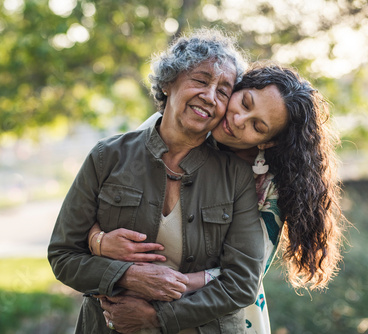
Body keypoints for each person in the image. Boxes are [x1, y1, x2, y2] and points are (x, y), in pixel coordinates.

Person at [89, 62, 346, 333]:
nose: (238, 120)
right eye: (245, 103)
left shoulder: (267, 187)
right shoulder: (167, 126)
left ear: (268, 142)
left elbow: (243, 276)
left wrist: (156, 294)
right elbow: (95, 205)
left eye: (257, 126)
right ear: (237, 88)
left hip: (214, 316)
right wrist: (101, 242)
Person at [48, 28, 267, 334]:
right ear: (168, 82)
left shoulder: (236, 176)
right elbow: (63, 255)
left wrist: (159, 319)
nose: (209, 96)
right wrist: (127, 275)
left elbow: (242, 283)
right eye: (201, 80)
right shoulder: (107, 157)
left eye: (223, 90)